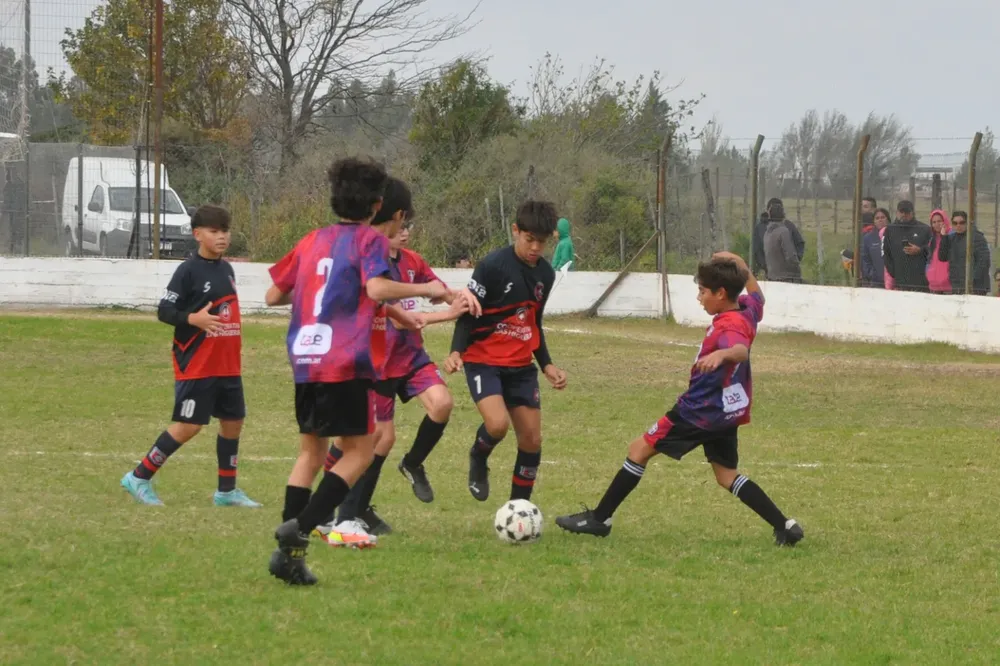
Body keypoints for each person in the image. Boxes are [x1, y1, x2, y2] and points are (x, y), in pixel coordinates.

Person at [264, 158, 447, 585]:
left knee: (310, 454)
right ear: (381, 206)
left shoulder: (311, 240)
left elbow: (274, 294)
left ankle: (289, 556)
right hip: (345, 361)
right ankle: (302, 526)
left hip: (306, 359)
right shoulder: (370, 242)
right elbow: (377, 288)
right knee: (362, 451)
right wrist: (427, 288)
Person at [555, 252, 803, 547]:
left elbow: (739, 350)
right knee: (726, 476)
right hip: (726, 410)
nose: (699, 298)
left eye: (703, 291)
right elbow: (758, 296)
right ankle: (785, 526)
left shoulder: (729, 326)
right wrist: (743, 266)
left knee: (639, 450)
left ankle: (600, 519)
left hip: (698, 411)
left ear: (721, 294)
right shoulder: (747, 310)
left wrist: (722, 354)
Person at [317, 177, 468, 545]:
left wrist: (460, 297)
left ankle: (382, 486)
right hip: (373, 359)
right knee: (368, 440)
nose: (405, 230)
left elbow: (429, 298)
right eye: (403, 221)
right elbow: (379, 295)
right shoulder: (367, 255)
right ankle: (339, 512)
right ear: (393, 215)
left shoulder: (411, 262)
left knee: (438, 405)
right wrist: (436, 309)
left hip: (409, 357)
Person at [120, 205, 260, 508]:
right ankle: (139, 476)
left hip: (227, 365)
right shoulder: (187, 271)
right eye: (214, 231)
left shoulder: (227, 268)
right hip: (197, 364)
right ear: (198, 234)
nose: (222, 236)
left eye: (225, 231)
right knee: (189, 426)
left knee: (233, 421)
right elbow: (165, 310)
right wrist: (192, 319)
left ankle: (226, 491)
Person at [445, 200, 568, 505]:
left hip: (520, 365)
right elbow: (467, 313)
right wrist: (456, 352)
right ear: (516, 231)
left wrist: (547, 365)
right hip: (483, 360)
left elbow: (534, 322)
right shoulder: (492, 266)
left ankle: (519, 508)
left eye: (542, 242)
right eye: (529, 240)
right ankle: (478, 456)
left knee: (531, 439)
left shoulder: (546, 275)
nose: (535, 248)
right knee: (498, 425)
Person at [882, 200, 931, 292]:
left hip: (921, 283)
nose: (904, 214)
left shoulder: (924, 229)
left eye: (907, 212)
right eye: (901, 212)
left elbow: (932, 249)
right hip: (900, 282)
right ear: (897, 212)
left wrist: (919, 250)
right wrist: (894, 273)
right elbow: (885, 253)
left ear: (913, 213)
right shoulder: (890, 230)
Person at [938, 211, 991, 295]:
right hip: (957, 285)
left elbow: (983, 262)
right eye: (955, 223)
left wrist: (971, 281)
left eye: (962, 222)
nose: (958, 225)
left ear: (967, 223)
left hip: (975, 287)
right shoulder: (951, 238)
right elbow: (942, 257)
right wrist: (943, 237)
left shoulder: (977, 237)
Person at [762, 200, 802, 283]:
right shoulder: (783, 231)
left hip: (772, 276)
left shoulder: (767, 233)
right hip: (787, 278)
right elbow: (791, 257)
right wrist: (797, 268)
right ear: (783, 216)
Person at [861, 208, 890, 288]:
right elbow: (865, 260)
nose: (880, 220)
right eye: (877, 218)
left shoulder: (894, 235)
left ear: (888, 219)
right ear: (874, 221)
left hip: (893, 282)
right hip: (876, 283)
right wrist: (872, 274)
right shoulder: (868, 238)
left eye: (883, 217)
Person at [926, 209, 952, 294]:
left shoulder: (951, 236)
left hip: (948, 285)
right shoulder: (932, 240)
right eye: (934, 222)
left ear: (944, 221)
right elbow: (929, 260)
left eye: (939, 221)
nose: (937, 224)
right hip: (934, 284)